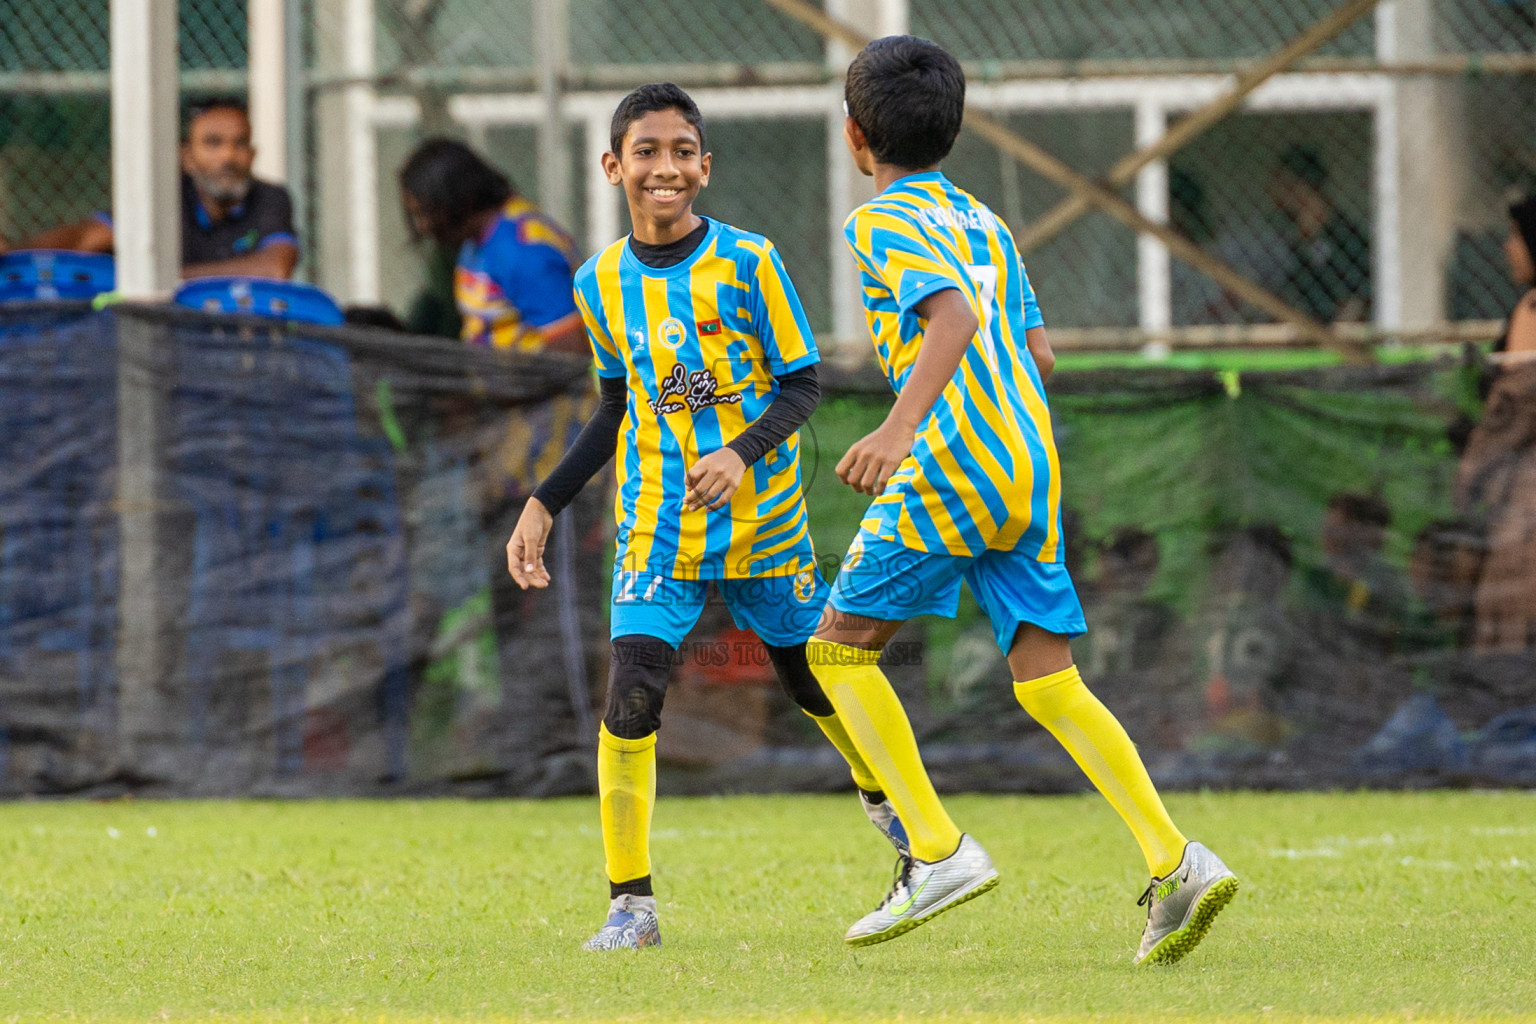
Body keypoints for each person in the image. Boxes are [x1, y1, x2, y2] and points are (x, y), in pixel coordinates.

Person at [804, 35, 1238, 963]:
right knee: (1050, 679)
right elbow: (1038, 355)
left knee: (835, 653)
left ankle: (935, 851)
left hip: (951, 462)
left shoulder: (881, 223)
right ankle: (1176, 861)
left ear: (854, 136)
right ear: (953, 130)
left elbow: (951, 318)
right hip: (1026, 465)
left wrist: (897, 430)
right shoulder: (988, 224)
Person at [502, 83, 909, 951]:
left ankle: (892, 810)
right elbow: (616, 409)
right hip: (656, 530)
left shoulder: (752, 263)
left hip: (768, 528)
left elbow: (803, 384)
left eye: (683, 151)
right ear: (615, 166)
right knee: (634, 694)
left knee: (812, 684)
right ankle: (630, 906)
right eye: (646, 151)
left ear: (705, 167)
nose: (666, 168)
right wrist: (543, 501)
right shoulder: (598, 282)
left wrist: (738, 453)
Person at [0, 97, 299, 281]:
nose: (228, 157)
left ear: (253, 154)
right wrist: (12, 252)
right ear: (187, 157)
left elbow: (275, 269)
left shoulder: (271, 198)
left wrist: (165, 281)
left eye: (240, 143)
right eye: (213, 143)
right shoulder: (163, 197)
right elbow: (85, 237)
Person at [399, 139, 585, 354]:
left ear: (460, 197)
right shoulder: (473, 242)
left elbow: (570, 354)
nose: (424, 226)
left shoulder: (523, 250)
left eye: (428, 212)